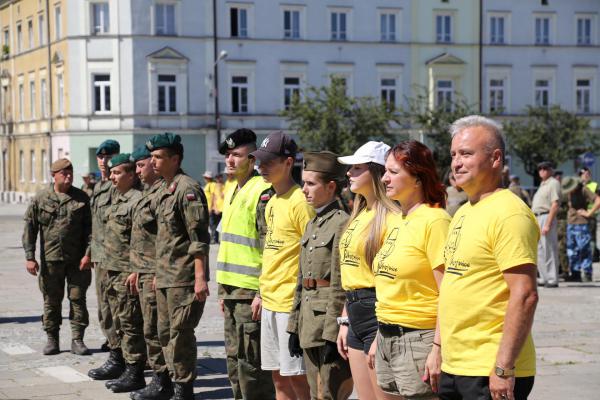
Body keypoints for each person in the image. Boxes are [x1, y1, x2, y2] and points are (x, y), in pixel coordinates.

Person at [439, 115, 539, 400]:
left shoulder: (509, 213)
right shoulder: (464, 211)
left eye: (466, 154)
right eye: (453, 154)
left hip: (489, 367)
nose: (456, 162)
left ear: (496, 158)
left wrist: (504, 367)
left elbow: (525, 295)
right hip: (456, 363)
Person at [373, 140, 450, 399]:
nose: (384, 178)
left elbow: (448, 292)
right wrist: (379, 336)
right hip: (388, 336)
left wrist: (437, 348)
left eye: (393, 172)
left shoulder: (435, 221)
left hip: (419, 340)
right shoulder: (399, 219)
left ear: (418, 177)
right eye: (386, 171)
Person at [250, 131, 314, 400]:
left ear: (289, 163)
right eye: (259, 162)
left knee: (298, 379)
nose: (261, 168)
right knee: (278, 377)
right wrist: (261, 292)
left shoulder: (301, 202)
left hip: (290, 304)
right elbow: (271, 252)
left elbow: (310, 256)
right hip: (270, 301)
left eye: (268, 162)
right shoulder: (272, 201)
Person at [148, 132, 210, 400]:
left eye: (158, 157)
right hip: (165, 277)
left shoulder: (187, 189)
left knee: (180, 335)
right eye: (151, 157)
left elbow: (198, 239)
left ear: (175, 159)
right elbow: (162, 238)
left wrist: (200, 278)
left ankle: (184, 390)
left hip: (183, 279)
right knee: (164, 334)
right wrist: (156, 274)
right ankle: (170, 385)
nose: (153, 162)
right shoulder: (163, 188)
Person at [336, 141, 400, 400]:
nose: (349, 173)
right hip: (354, 311)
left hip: (377, 310)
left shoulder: (391, 217)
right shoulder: (359, 212)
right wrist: (344, 318)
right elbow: (350, 274)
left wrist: (381, 331)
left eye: (357, 168)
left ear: (375, 172)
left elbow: (388, 278)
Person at [287, 151, 353, 400]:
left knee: (329, 394)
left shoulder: (342, 223)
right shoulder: (313, 223)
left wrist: (331, 334)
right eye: (303, 182)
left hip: (326, 323)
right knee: (315, 393)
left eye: (311, 183)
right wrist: (294, 326)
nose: (304, 189)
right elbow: (301, 280)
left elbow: (339, 284)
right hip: (308, 322)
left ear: (331, 186)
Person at [216, 128, 275, 400]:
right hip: (231, 290)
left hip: (250, 292)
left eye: (236, 155)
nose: (230, 160)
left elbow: (269, 248)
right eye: (228, 155)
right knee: (233, 358)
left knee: (252, 364)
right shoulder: (234, 189)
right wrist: (222, 289)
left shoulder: (262, 192)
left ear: (252, 159)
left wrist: (262, 292)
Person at [22, 158, 92, 356]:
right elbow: (30, 228)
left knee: (78, 299)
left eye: (71, 172)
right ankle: (52, 339)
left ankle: (77, 340)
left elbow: (91, 230)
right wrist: (30, 256)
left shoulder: (81, 198)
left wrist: (88, 254)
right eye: (64, 173)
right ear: (54, 175)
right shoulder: (41, 198)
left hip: (78, 260)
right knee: (51, 300)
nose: (68, 176)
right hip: (51, 260)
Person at [128, 145, 172, 400]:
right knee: (149, 327)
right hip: (143, 271)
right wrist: (136, 268)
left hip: (157, 273)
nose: (139, 170)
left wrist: (158, 271)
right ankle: (159, 377)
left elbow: (164, 239)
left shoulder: (164, 192)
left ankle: (163, 380)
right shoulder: (148, 192)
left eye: (142, 165)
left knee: (158, 329)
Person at [100, 154, 145, 393]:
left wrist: (135, 270)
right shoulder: (117, 199)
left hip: (127, 272)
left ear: (131, 174)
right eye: (111, 172)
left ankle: (135, 371)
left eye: (117, 173)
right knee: (117, 320)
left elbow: (141, 240)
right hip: (112, 270)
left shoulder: (137, 200)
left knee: (130, 323)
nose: (111, 177)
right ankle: (122, 363)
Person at [88, 139, 125, 380]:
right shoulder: (99, 187)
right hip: (100, 257)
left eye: (109, 157)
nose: (104, 161)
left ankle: (121, 356)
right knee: (104, 309)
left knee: (119, 310)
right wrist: (89, 251)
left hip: (117, 259)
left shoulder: (119, 185)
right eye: (101, 157)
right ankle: (115, 349)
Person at [562, 176, 600, 282]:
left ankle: (587, 273)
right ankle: (575, 273)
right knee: (571, 250)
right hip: (570, 223)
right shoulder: (568, 191)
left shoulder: (583, 189)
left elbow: (598, 200)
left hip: (581, 223)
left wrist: (589, 213)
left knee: (584, 249)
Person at [531, 162, 561, 288]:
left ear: (551, 170)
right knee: (539, 250)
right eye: (540, 168)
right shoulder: (543, 184)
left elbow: (555, 204)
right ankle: (544, 277)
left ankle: (553, 278)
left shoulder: (553, 183)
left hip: (546, 216)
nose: (542, 171)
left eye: (545, 168)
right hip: (537, 217)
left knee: (549, 248)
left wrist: (548, 224)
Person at [203, 170, 217, 243]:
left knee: (212, 224)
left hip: (210, 207)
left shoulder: (212, 185)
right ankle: (213, 238)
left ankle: (213, 238)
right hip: (208, 207)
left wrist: (211, 207)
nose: (204, 179)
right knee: (211, 224)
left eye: (205, 177)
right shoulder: (209, 184)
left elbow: (213, 196)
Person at [211, 173, 225, 243]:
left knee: (222, 225)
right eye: (217, 178)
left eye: (219, 177)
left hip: (223, 209)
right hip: (216, 209)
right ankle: (215, 239)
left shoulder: (225, 186)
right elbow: (213, 197)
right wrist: (215, 208)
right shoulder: (214, 186)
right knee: (215, 225)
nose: (218, 179)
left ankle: (221, 239)